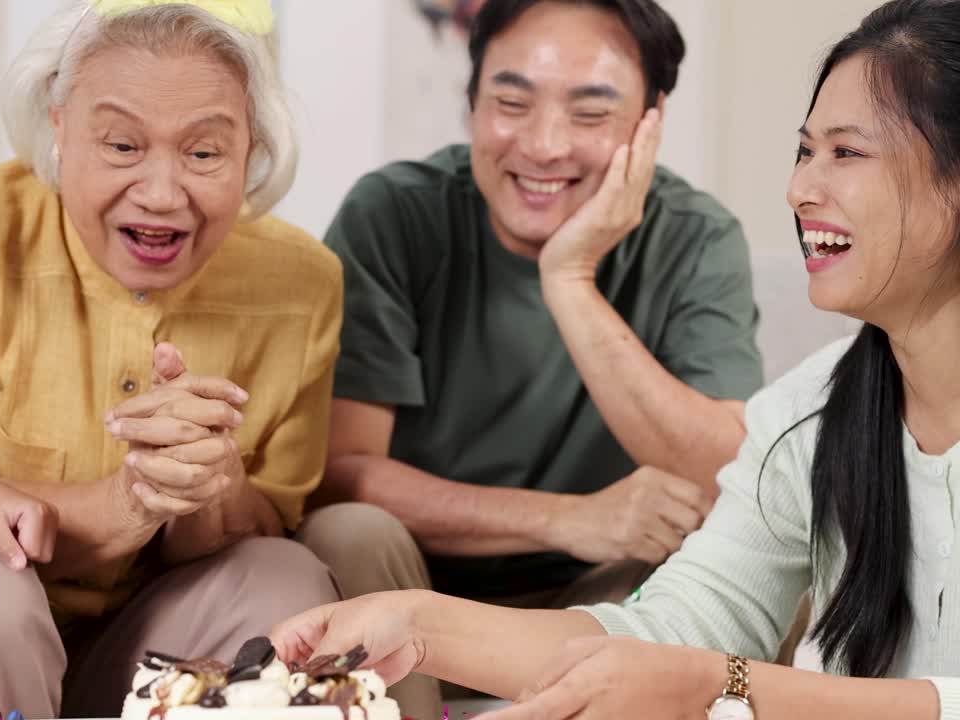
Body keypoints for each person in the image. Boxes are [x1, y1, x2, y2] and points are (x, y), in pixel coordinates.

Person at [273, 1, 960, 717]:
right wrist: (416, 626)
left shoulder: (695, 248)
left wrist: (725, 684)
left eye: (845, 153)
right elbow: (671, 629)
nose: (798, 190)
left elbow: (698, 651)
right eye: (804, 151)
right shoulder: (809, 415)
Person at [0, 1, 341, 717]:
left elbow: (267, 519)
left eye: (204, 153)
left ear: (253, 150)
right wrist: (129, 498)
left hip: (152, 632)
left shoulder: (304, 281)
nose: (159, 193)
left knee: (281, 574)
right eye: (121, 146)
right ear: (59, 127)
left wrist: (210, 481)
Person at [295, 0, 762, 715]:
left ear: (651, 120)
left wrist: (569, 279)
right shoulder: (395, 213)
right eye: (511, 102)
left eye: (589, 113)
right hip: (407, 580)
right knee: (347, 531)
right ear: (472, 101)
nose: (543, 146)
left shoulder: (695, 238)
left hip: (593, 595)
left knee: (721, 560)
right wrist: (566, 518)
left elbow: (728, 471)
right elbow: (341, 477)